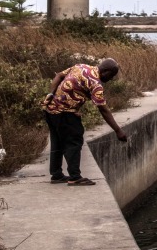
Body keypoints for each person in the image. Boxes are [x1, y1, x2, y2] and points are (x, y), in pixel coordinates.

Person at [43, 57, 127, 185]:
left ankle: (56, 175)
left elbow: (59, 76)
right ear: (106, 71)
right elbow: (103, 109)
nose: (110, 79)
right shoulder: (96, 83)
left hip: (50, 110)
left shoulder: (80, 66)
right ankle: (75, 177)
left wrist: (50, 94)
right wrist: (118, 130)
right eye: (111, 76)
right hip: (64, 114)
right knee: (74, 141)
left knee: (57, 141)